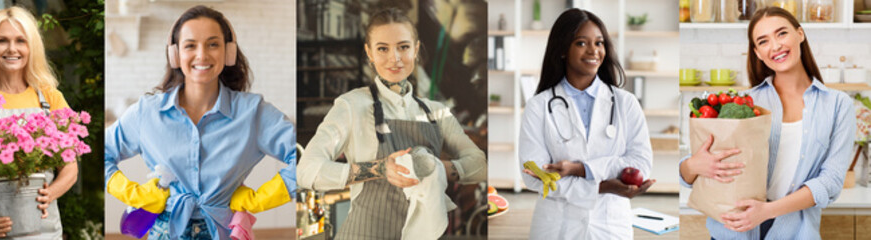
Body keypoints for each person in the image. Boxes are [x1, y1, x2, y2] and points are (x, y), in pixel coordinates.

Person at [104, 5, 298, 240]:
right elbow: (101, 153)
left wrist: (261, 198)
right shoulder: (147, 113)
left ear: (228, 52)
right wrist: (134, 194)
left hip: (224, 231)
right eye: (190, 45)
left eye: (213, 44)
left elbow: (303, 158)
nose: (202, 55)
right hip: (166, 232)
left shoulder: (253, 113)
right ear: (175, 55)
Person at [296, 8, 486, 239]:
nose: (394, 58)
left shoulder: (436, 112)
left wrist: (439, 169)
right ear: (369, 53)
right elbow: (307, 171)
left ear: (416, 50)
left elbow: (479, 164)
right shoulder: (351, 106)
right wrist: (379, 169)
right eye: (383, 48)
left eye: (403, 47)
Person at [679, 7, 854, 239]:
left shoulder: (837, 105)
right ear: (758, 53)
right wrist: (693, 166)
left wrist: (766, 211)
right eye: (763, 41)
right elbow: (690, 174)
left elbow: (831, 182)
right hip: (731, 231)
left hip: (794, 232)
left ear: (800, 34)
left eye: (781, 34)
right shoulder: (746, 103)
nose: (775, 46)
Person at [517, 8, 656, 239]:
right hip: (556, 227)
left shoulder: (625, 103)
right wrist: (603, 186)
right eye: (582, 43)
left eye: (599, 43)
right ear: (563, 49)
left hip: (611, 227)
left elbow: (640, 164)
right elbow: (535, 176)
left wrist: (581, 170)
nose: (593, 50)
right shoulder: (538, 106)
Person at [0, 6, 78, 239]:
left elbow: (70, 169)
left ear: (32, 48)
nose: (12, 49)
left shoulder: (51, 99)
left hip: (39, 226)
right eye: (2, 41)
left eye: (21, 40)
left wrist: (48, 195)